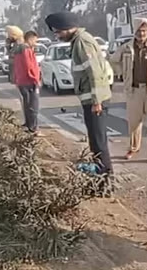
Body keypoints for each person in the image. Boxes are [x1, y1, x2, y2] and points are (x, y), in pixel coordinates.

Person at [45, 12, 113, 177]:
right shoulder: (78, 41)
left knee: (99, 143)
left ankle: (105, 179)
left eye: (58, 32)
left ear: (66, 28)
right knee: (95, 142)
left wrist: (96, 101)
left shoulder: (83, 42)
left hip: (95, 101)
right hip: (90, 100)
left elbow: (95, 72)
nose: (57, 36)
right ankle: (99, 176)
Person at [109, 17, 147, 164]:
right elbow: (112, 61)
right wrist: (122, 73)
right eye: (139, 31)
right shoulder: (126, 48)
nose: (141, 34)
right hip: (134, 91)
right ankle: (133, 147)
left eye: (144, 31)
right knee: (133, 122)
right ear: (134, 31)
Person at [12, 30, 42, 136]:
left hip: (21, 80)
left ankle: (29, 125)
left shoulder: (18, 49)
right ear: (30, 38)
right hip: (29, 81)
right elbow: (29, 66)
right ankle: (33, 128)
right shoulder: (26, 50)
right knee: (33, 105)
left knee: (27, 104)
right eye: (35, 40)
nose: (35, 43)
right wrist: (35, 79)